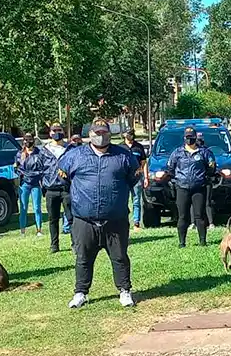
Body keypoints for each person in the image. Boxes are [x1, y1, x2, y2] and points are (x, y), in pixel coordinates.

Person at [59, 119, 139, 308]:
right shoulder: (74, 155)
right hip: (84, 220)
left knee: (119, 257)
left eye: (104, 133)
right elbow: (63, 179)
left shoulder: (124, 156)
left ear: (109, 134)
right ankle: (80, 293)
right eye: (97, 133)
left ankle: (124, 291)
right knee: (83, 258)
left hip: (115, 219)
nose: (100, 136)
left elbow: (133, 178)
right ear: (90, 134)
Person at [165, 126, 216, 248]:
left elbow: (212, 168)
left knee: (199, 215)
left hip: (199, 187)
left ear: (195, 137)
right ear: (184, 138)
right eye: (187, 138)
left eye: (192, 137)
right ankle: (182, 242)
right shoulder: (177, 153)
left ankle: (203, 241)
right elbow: (170, 169)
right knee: (182, 216)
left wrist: (204, 177)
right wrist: (176, 180)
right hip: (182, 187)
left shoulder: (204, 152)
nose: (189, 140)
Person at [41, 125, 72, 254]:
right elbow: (40, 168)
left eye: (59, 130)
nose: (57, 133)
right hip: (51, 189)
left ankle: (75, 243)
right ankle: (54, 245)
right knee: (53, 219)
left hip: (67, 188)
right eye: (54, 131)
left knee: (71, 218)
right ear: (50, 133)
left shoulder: (70, 149)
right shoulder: (44, 151)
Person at [15, 133, 45, 236]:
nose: (28, 142)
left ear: (34, 140)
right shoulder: (20, 154)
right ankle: (22, 230)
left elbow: (42, 168)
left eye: (30, 139)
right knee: (23, 208)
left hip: (36, 183)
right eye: (26, 140)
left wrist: (36, 175)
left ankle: (39, 230)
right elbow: (16, 168)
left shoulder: (39, 153)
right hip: (24, 184)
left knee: (37, 207)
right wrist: (21, 174)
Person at [120, 128, 147, 231]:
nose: (130, 136)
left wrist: (145, 177)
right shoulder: (120, 147)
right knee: (123, 201)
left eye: (131, 134)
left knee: (136, 201)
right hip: (123, 179)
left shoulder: (139, 147)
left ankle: (136, 223)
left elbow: (144, 162)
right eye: (128, 134)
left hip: (136, 178)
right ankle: (124, 223)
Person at [196, 132, 216, 230]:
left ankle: (211, 223)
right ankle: (193, 223)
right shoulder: (192, 152)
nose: (199, 141)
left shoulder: (207, 152)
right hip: (195, 181)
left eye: (200, 139)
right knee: (194, 203)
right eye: (197, 139)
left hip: (206, 180)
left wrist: (207, 173)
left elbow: (212, 165)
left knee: (207, 202)